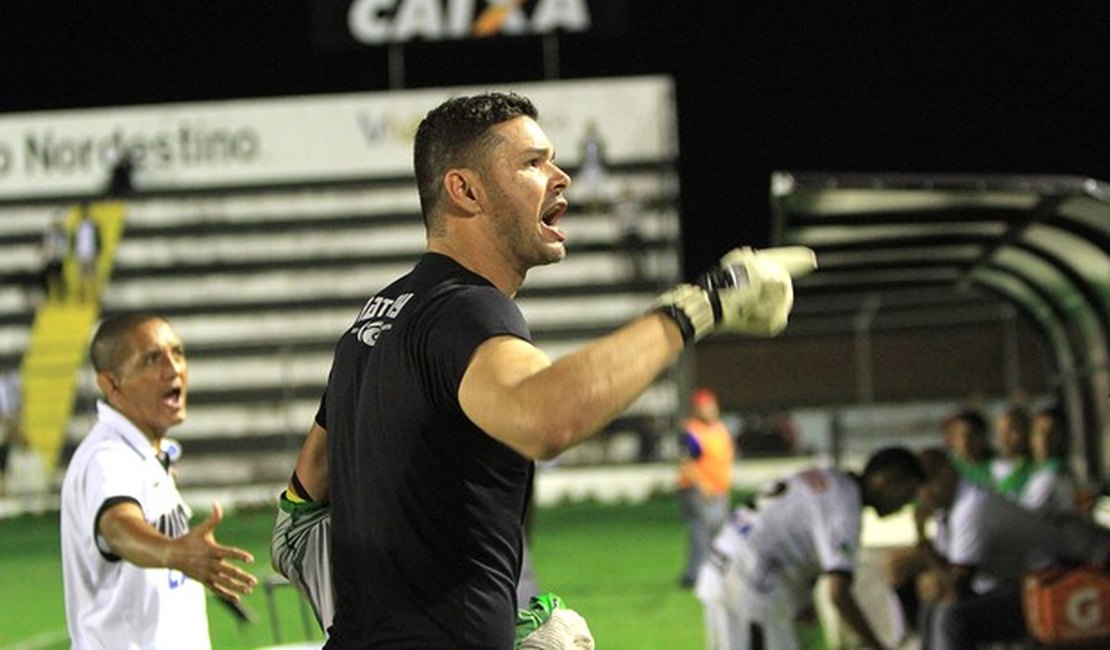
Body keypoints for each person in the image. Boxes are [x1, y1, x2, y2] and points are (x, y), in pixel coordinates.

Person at [310, 91, 816, 648]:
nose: (562, 176)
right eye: (532, 162)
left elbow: (301, 509)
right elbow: (544, 417)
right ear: (465, 190)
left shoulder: (375, 318)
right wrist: (700, 306)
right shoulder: (468, 309)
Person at [60, 314, 258, 649]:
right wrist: (175, 552)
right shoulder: (107, 458)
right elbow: (118, 526)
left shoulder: (146, 454)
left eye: (177, 353)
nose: (174, 368)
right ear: (111, 383)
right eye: (153, 359)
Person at [695, 446, 925, 650]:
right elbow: (839, 593)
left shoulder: (830, 479)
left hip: (729, 571)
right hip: (749, 587)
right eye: (907, 492)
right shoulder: (844, 508)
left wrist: (802, 601)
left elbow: (792, 535)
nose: (905, 503)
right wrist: (875, 645)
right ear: (887, 479)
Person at [912, 447, 1110, 649]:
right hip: (1023, 586)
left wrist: (924, 546)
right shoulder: (948, 513)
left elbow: (956, 590)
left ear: (946, 473)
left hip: (1053, 579)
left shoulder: (971, 507)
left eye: (927, 484)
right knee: (935, 605)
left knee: (954, 619)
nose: (924, 494)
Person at [677, 387, 734, 588]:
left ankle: (708, 573)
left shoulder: (720, 429)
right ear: (697, 409)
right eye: (704, 407)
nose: (709, 410)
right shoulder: (693, 432)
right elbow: (686, 462)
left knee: (717, 533)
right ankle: (696, 576)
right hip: (698, 490)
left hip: (719, 490)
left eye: (711, 406)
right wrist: (702, 486)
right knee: (702, 533)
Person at [1020, 407, 1080, 514]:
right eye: (1040, 432)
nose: (1045, 439)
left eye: (1052, 433)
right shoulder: (1030, 471)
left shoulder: (1055, 474)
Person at [988, 405, 1033, 499]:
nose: (1005, 437)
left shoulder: (1038, 466)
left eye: (1011, 430)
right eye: (1000, 431)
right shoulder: (992, 467)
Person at [942, 408, 992, 488]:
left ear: (983, 436)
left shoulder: (999, 466)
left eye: (971, 435)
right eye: (960, 435)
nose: (966, 441)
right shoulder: (947, 471)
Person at [73, 205, 100, 303]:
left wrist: (97, 253)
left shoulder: (93, 225)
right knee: (81, 277)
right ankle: (82, 297)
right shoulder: (78, 226)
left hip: (91, 253)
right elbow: (75, 241)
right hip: (81, 254)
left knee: (92, 276)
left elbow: (98, 240)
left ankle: (94, 297)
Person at [40, 213, 68, 302]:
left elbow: (64, 247)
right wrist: (47, 253)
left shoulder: (62, 235)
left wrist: (58, 253)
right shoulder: (49, 235)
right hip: (50, 259)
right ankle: (48, 294)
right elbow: (45, 246)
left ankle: (62, 295)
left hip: (58, 259)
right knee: (46, 277)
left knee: (59, 278)